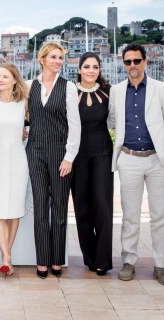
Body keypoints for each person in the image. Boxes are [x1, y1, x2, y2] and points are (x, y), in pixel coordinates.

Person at [108, 43, 164, 286]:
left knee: (160, 215)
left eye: (136, 61)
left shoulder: (163, 89)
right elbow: (108, 120)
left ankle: (160, 266)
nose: (132, 66)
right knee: (130, 216)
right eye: (128, 62)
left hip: (157, 160)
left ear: (144, 62)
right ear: (124, 64)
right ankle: (129, 261)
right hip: (128, 159)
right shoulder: (116, 91)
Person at [26, 43, 80, 279]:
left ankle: (57, 259)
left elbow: (75, 126)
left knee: (59, 208)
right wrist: (22, 128)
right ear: (42, 59)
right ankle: (42, 261)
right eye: (53, 57)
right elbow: (24, 115)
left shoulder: (68, 87)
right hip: (35, 151)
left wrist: (69, 157)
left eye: (60, 58)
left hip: (60, 153)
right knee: (40, 209)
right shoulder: (30, 86)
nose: (58, 61)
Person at [0, 63, 29, 278]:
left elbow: (36, 123)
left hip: (18, 158)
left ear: (14, 80)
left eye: (5, 76)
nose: (0, 80)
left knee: (14, 211)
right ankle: (5, 258)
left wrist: (25, 130)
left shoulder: (24, 103)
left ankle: (6, 254)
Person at [71, 52, 113, 276]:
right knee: (81, 207)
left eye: (95, 67)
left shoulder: (109, 92)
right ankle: (89, 257)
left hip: (102, 153)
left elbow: (116, 120)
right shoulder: (69, 92)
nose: (90, 70)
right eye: (86, 66)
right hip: (76, 155)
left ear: (99, 70)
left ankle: (103, 260)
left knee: (103, 207)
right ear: (79, 69)